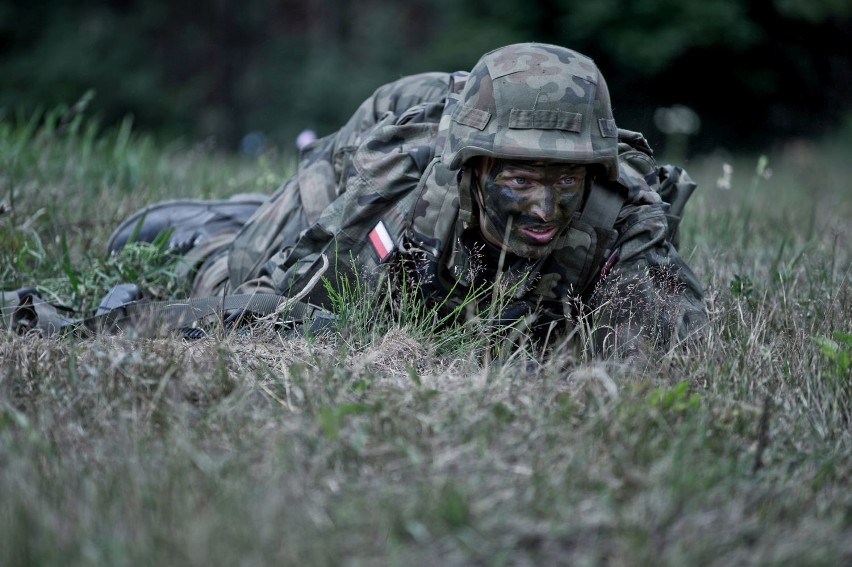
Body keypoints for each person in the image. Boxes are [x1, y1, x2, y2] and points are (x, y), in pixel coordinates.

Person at [22, 43, 711, 357]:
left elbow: (656, 344)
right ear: (473, 169)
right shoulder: (409, 194)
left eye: (566, 181)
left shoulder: (622, 211)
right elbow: (276, 305)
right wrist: (100, 324)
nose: (544, 208)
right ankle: (214, 226)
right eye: (519, 180)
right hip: (359, 185)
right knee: (242, 273)